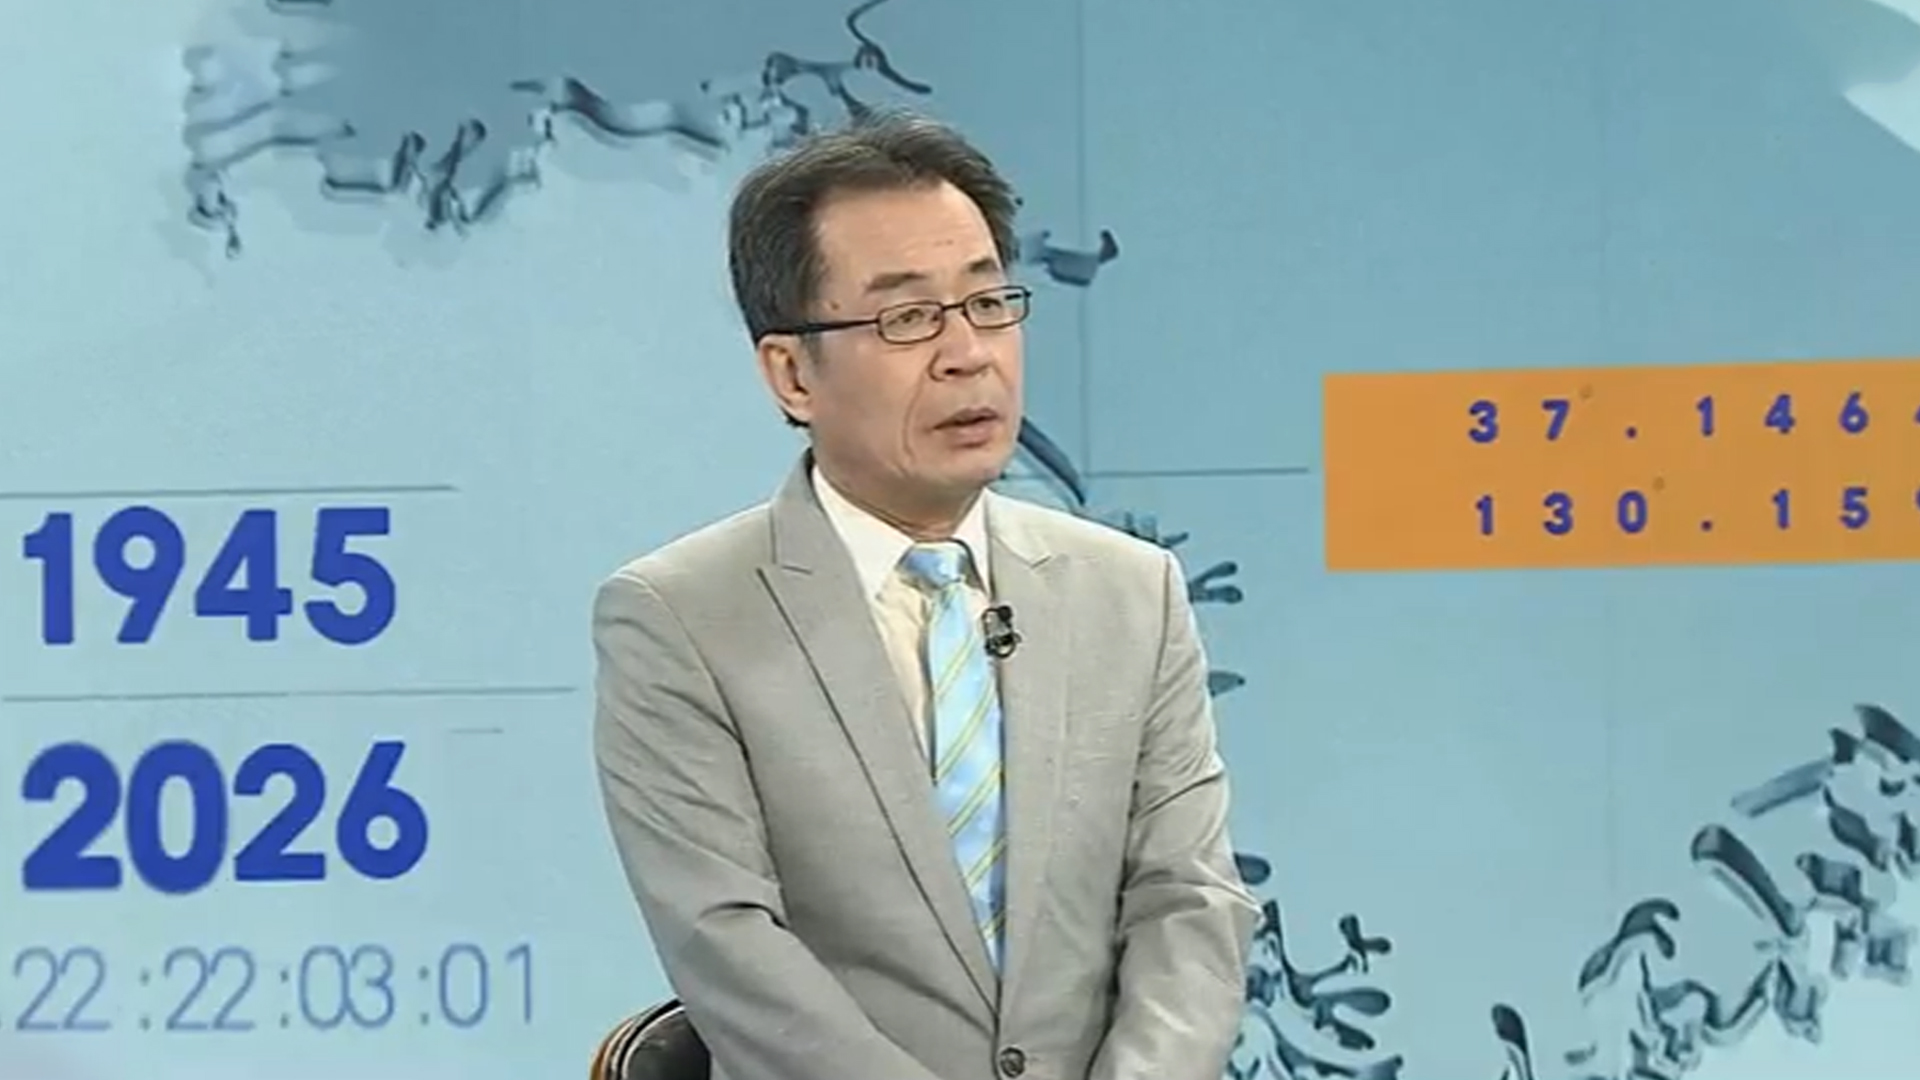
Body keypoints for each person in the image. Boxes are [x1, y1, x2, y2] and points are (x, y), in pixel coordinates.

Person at [591, 108, 1257, 1080]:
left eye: (988, 303)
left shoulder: (1131, 593)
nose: (967, 353)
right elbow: (728, 945)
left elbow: (1188, 902)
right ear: (792, 373)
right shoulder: (679, 619)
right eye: (907, 318)